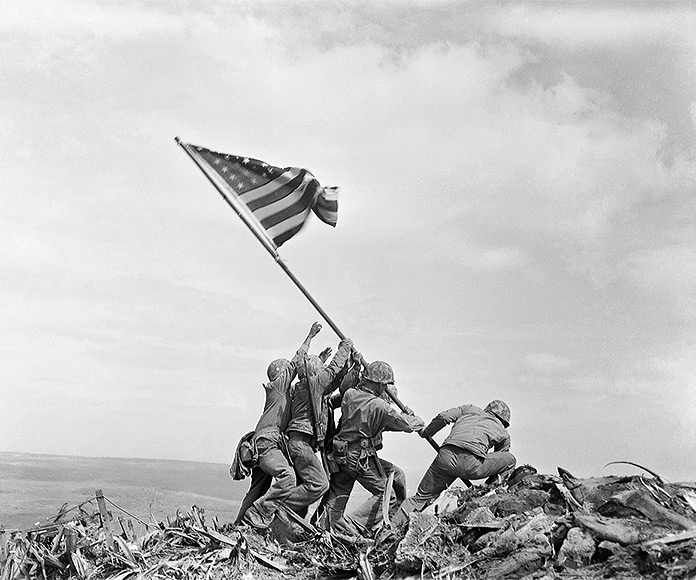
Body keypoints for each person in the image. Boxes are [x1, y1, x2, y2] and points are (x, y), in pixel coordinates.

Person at [322, 360, 424, 532]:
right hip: (359, 456)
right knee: (387, 495)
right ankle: (351, 527)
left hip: (342, 454)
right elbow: (406, 424)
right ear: (378, 384)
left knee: (338, 494)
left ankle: (326, 527)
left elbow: (380, 422)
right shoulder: (379, 406)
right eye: (384, 385)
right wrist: (416, 419)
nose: (385, 389)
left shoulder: (350, 395)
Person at [238, 322, 322, 528]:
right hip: (267, 444)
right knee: (287, 477)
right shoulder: (277, 387)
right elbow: (296, 363)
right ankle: (261, 513)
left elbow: (306, 380)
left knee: (257, 488)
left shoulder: (282, 394)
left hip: (262, 444)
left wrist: (320, 362)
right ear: (280, 373)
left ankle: (239, 525)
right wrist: (310, 336)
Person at [394, 400, 516, 525]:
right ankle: (490, 494)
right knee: (510, 460)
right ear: (504, 421)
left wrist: (427, 433)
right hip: (471, 464)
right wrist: (487, 488)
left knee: (419, 498)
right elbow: (499, 461)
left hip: (445, 458)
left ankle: (390, 528)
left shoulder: (469, 409)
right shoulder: (503, 433)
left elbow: (444, 417)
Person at [283, 337, 354, 517]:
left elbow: (334, 381)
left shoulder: (305, 387)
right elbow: (332, 371)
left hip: (300, 443)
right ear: (316, 372)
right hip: (300, 443)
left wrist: (349, 366)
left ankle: (287, 522)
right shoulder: (313, 384)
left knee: (304, 489)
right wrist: (345, 347)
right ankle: (277, 505)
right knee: (320, 484)